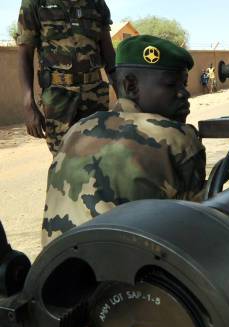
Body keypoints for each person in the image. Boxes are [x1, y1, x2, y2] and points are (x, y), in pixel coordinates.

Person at [41, 35, 206, 246]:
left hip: (56, 270)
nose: (184, 94)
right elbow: (197, 227)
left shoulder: (77, 129)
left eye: (184, 84)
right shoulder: (177, 138)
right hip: (125, 273)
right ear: (130, 86)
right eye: (172, 84)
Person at [16, 0, 117, 155]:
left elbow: (109, 54)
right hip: (58, 98)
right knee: (62, 161)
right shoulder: (34, 3)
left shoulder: (96, 3)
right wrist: (29, 105)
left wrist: (123, 96)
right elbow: (25, 53)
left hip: (95, 95)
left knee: (99, 157)